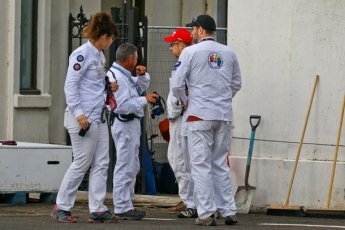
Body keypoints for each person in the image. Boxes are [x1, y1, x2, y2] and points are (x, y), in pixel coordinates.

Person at [171, 15, 242, 226]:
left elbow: (176, 84)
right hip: (223, 114)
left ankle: (206, 213)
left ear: (200, 30)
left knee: (200, 165)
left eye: (193, 29)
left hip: (198, 114)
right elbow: (237, 83)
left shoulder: (190, 52)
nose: (192, 32)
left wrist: (186, 101)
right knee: (220, 163)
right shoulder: (229, 52)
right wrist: (222, 99)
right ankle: (229, 210)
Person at [51, 12, 120, 223]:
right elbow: (70, 85)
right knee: (81, 162)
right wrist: (78, 113)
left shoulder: (98, 55)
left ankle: (97, 208)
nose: (111, 42)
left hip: (96, 117)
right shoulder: (81, 54)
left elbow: (92, 83)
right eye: (111, 39)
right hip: (82, 118)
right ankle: (61, 206)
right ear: (105, 36)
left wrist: (109, 86)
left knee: (101, 162)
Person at [107, 43, 158, 220]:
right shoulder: (118, 79)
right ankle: (121, 206)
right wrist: (144, 100)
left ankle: (126, 203)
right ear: (130, 59)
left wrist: (142, 76)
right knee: (125, 165)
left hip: (130, 125)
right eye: (136, 58)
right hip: (125, 123)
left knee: (131, 164)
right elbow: (121, 106)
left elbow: (137, 86)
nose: (137, 61)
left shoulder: (122, 75)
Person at [163, 29, 192, 213]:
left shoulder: (184, 63)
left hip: (180, 118)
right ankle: (187, 198)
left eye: (173, 44)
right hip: (180, 117)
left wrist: (173, 114)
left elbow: (180, 93)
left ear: (181, 45)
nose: (171, 48)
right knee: (177, 157)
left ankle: (188, 199)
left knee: (179, 158)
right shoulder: (187, 62)